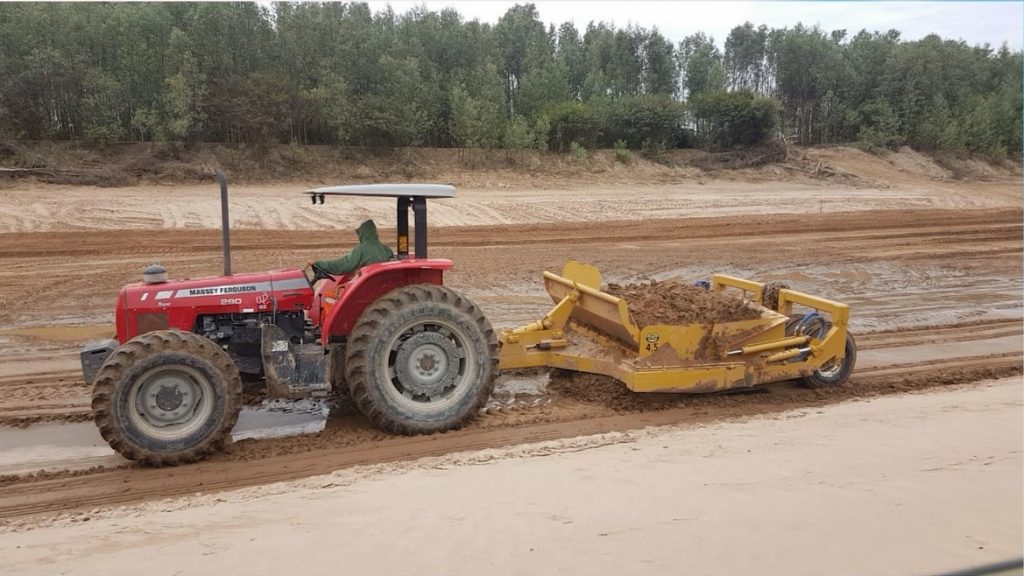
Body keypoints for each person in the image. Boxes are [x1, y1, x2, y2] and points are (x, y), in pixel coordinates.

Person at [307, 219, 394, 275]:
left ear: (362, 234)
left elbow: (344, 265)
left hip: (371, 282)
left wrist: (318, 263)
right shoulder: (386, 249)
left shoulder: (361, 250)